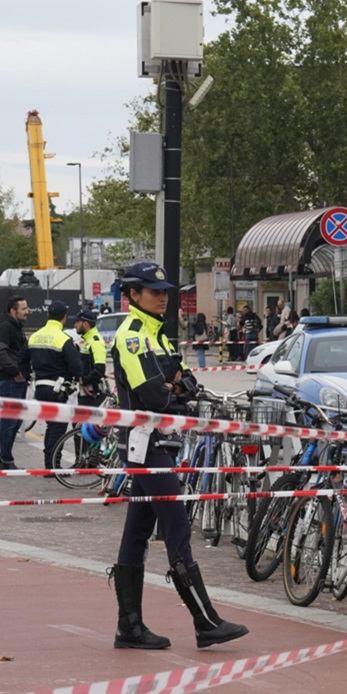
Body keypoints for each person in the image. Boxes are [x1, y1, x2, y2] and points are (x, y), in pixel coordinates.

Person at [110, 261, 248, 650]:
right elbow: (157, 396)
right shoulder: (133, 335)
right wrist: (176, 391)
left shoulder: (162, 336)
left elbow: (188, 383)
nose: (163, 298)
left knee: (136, 532)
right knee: (177, 525)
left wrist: (177, 388)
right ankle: (205, 621)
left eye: (165, 291)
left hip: (160, 442)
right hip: (145, 444)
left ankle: (129, 627)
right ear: (133, 295)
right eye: (154, 292)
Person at [28, 301, 84, 469]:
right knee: (58, 428)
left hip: (40, 389)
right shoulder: (63, 339)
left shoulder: (34, 336)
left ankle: (49, 465)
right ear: (64, 317)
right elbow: (77, 368)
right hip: (58, 391)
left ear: (48, 316)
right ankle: (53, 466)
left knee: (51, 426)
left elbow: (22, 360)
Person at [0, 296, 30, 470]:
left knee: (15, 422)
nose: (27, 311)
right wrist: (16, 372)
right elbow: (1, 353)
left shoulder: (17, 328)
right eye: (24, 308)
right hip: (10, 381)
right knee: (9, 422)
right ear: (13, 311)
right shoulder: (6, 328)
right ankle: (6, 459)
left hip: (18, 382)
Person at [74, 310, 107, 407]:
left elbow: (99, 369)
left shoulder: (95, 342)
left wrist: (83, 381)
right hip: (85, 393)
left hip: (92, 395)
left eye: (77, 322)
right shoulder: (86, 340)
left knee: (82, 422)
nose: (75, 325)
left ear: (86, 324)